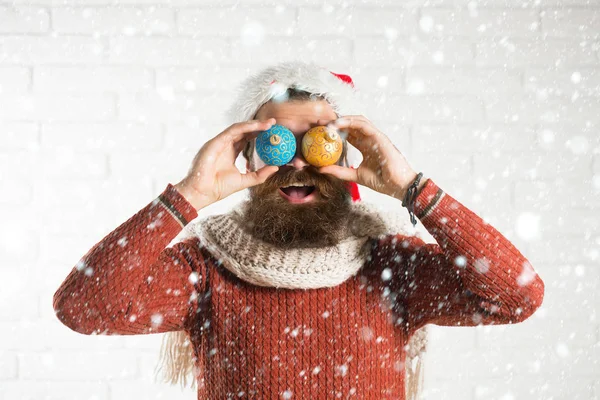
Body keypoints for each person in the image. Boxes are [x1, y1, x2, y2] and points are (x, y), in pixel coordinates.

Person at [53, 61, 545, 400]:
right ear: (247, 154)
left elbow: (515, 296)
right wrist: (188, 197)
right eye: (275, 140)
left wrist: (414, 189)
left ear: (347, 153)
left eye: (318, 141)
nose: (296, 162)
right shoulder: (205, 271)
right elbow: (84, 308)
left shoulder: (394, 265)